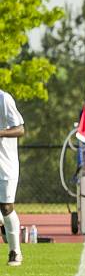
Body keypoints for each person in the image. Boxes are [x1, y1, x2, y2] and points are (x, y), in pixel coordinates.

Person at [0, 90, 25, 266]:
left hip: (5, 164)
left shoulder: (4, 99)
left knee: (6, 206)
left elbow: (20, 129)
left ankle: (15, 251)